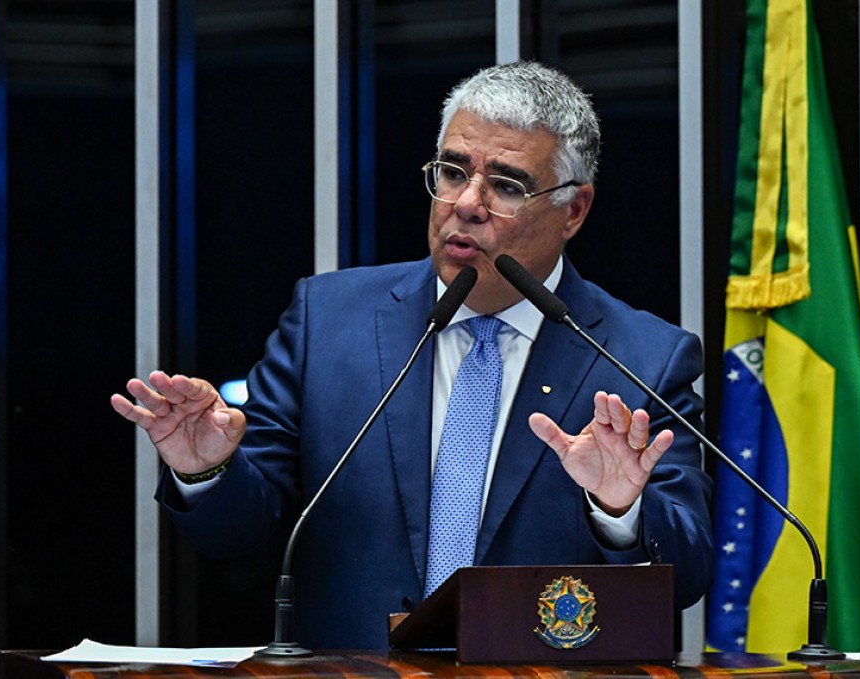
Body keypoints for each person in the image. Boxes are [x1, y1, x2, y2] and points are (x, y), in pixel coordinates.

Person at [111, 61, 713, 650]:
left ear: (573, 210)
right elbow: (240, 533)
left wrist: (620, 509)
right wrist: (208, 471)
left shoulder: (644, 359)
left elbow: (686, 579)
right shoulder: (328, 321)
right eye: (452, 172)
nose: (467, 203)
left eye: (507, 186)